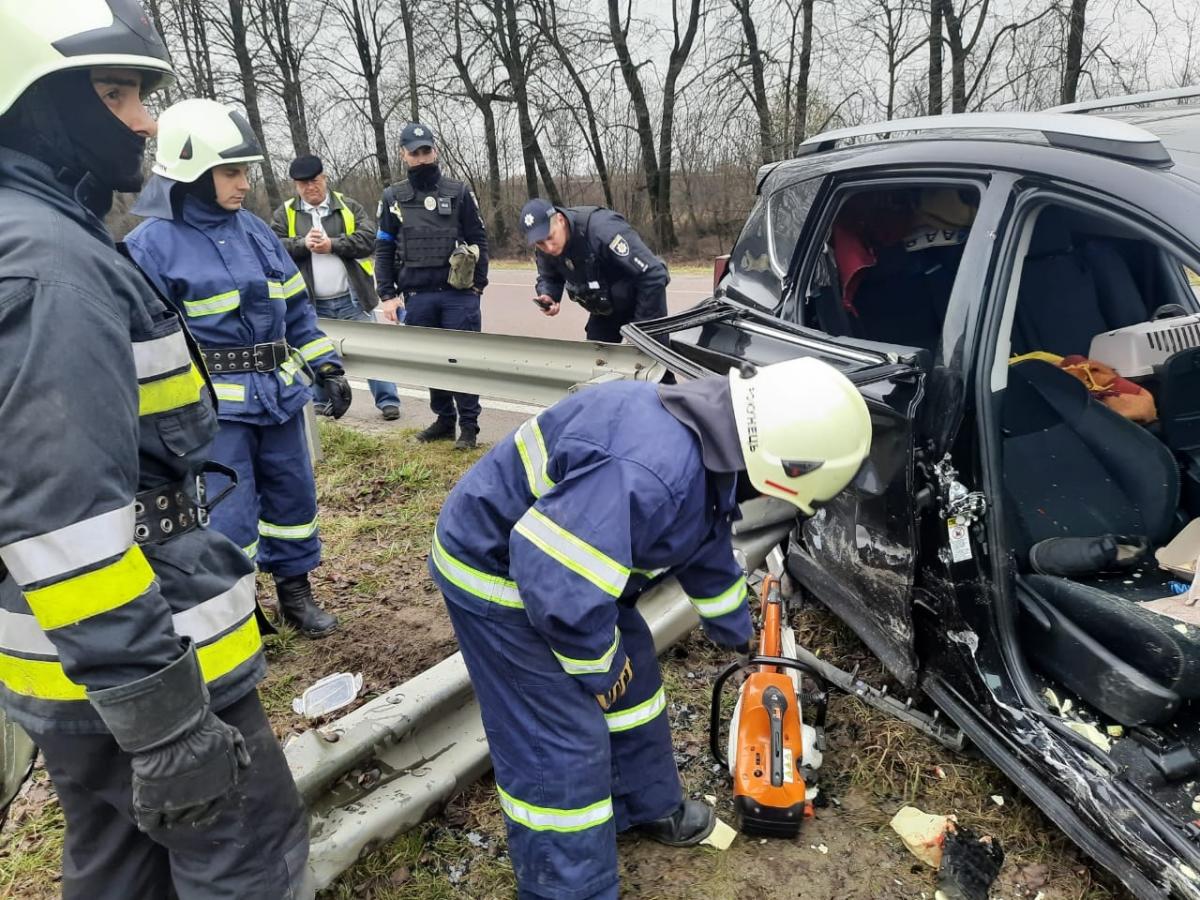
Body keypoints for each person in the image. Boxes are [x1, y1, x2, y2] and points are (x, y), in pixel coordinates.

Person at [0, 3, 311, 897]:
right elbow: (70, 529)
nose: (143, 119)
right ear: (34, 103)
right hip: (149, 662)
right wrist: (167, 726)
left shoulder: (53, 236)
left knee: (121, 864)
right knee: (243, 861)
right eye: (116, 91)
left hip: (93, 668)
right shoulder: (51, 267)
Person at [429, 357, 872, 899]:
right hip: (500, 578)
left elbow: (703, 536)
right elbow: (557, 585)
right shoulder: (651, 469)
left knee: (636, 688)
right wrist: (599, 670)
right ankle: (567, 891)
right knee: (560, 739)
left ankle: (645, 805)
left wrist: (733, 626)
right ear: (791, 467)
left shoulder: (717, 438)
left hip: (575, 578)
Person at [126, 98, 346, 640]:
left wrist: (328, 367)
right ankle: (238, 613)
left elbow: (296, 310)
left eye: (244, 170)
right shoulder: (148, 247)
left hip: (279, 397)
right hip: (213, 411)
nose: (244, 182)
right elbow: (144, 347)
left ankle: (296, 594)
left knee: (292, 496)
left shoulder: (254, 230)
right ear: (190, 171)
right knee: (229, 513)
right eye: (230, 171)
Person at [375, 122, 489, 450]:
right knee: (432, 363)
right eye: (415, 153)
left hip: (457, 295)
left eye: (426, 151)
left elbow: (479, 237)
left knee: (463, 362)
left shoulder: (458, 191)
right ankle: (443, 420)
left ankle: (468, 427)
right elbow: (383, 247)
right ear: (404, 155)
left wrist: (478, 285)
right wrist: (387, 294)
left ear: (435, 151)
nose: (422, 158)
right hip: (416, 295)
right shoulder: (392, 198)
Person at [271, 153, 402, 421]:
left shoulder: (348, 206)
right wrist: (301, 244)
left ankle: (388, 401)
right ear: (296, 185)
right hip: (311, 303)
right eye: (303, 183)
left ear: (325, 178)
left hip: (352, 298)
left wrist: (332, 245)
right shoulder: (285, 213)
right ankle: (322, 402)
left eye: (315, 181)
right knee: (315, 353)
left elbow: (368, 239)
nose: (310, 187)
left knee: (372, 352)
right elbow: (271, 247)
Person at [521, 198, 670, 343]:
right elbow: (549, 277)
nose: (549, 247)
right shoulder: (545, 248)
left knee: (649, 362)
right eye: (540, 243)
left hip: (642, 298)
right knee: (596, 358)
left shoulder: (602, 229)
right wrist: (548, 294)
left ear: (560, 220)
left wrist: (642, 331)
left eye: (550, 237)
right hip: (605, 305)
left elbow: (652, 274)